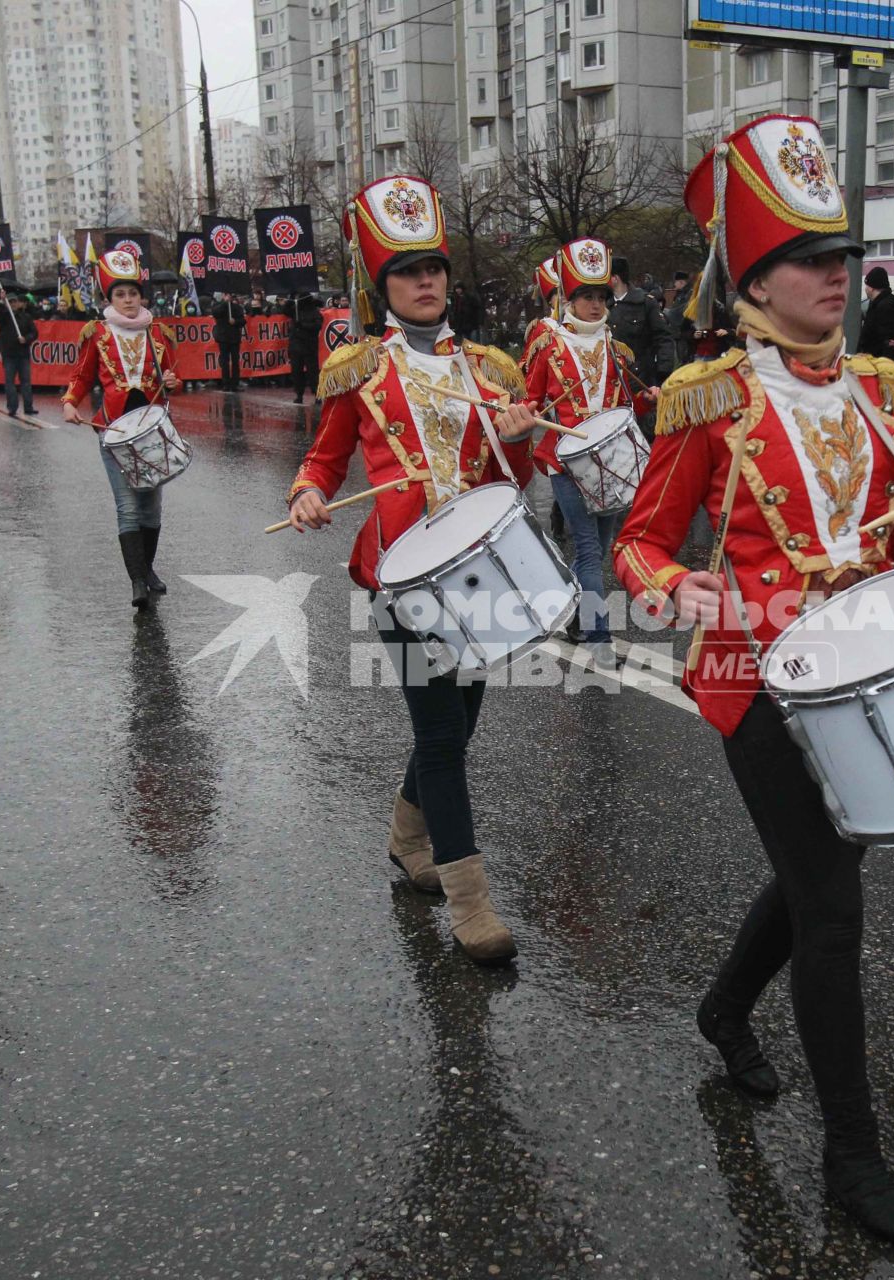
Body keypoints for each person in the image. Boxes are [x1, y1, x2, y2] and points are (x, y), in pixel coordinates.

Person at [613, 114, 894, 1248]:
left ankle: (726, 1004)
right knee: (833, 906)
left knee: (814, 874)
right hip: (755, 676)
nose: (837, 277)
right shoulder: (708, 399)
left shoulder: (884, 391)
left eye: (842, 258)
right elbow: (641, 538)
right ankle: (851, 1156)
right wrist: (672, 589)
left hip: (864, 677)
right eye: (811, 261)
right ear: (756, 279)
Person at [285, 173, 539, 965]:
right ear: (383, 285)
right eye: (408, 272)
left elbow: (512, 483)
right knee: (437, 733)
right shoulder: (358, 370)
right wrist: (304, 497)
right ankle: (471, 904)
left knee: (460, 724)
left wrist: (520, 436)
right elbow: (323, 462)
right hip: (400, 576)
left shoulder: (491, 370)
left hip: (477, 572)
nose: (426, 282)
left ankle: (405, 841)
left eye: (434, 268)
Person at [521, 237, 655, 669]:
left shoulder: (616, 349)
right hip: (567, 463)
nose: (595, 305)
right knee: (587, 546)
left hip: (610, 464)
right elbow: (531, 398)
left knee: (596, 548)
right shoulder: (548, 343)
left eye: (600, 297)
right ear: (569, 299)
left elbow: (626, 404)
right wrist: (524, 415)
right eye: (586, 297)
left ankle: (577, 620)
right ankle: (598, 636)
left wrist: (650, 397)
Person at [61, 249, 182, 610]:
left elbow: (174, 377)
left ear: (141, 295)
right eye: (120, 295)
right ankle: (137, 582)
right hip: (112, 430)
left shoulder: (159, 332)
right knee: (128, 507)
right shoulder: (95, 332)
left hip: (152, 431)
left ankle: (147, 569)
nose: (128, 301)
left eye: (132, 293)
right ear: (108, 298)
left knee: (151, 506)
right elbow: (81, 375)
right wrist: (70, 402)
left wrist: (174, 381)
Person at [608, 254, 672, 395]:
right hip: (613, 381)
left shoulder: (645, 303)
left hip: (643, 379)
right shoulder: (605, 305)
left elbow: (663, 338)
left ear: (615, 278)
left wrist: (663, 374)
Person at [0, 290, 38, 418]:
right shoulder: (4, 317)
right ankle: (12, 407)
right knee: (10, 382)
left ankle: (28, 407)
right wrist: (1, 301)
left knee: (26, 382)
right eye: (10, 302)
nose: (12, 304)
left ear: (18, 303)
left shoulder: (26, 317)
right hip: (9, 355)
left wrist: (26, 339)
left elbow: (34, 333)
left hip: (23, 354)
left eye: (14, 301)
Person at [856, 266, 894, 364]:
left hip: (880, 366)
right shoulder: (879, 303)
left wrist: (884, 367)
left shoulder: (885, 306)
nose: (865, 288)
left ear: (872, 288)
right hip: (874, 362)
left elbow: (888, 342)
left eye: (867, 285)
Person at [286, 290, 322, 404]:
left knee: (312, 372)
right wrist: (290, 298)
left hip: (309, 345)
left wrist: (303, 325)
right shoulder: (295, 310)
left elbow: (317, 325)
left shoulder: (314, 311)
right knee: (296, 372)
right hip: (296, 346)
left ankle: (317, 393)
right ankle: (299, 394)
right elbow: (285, 311)